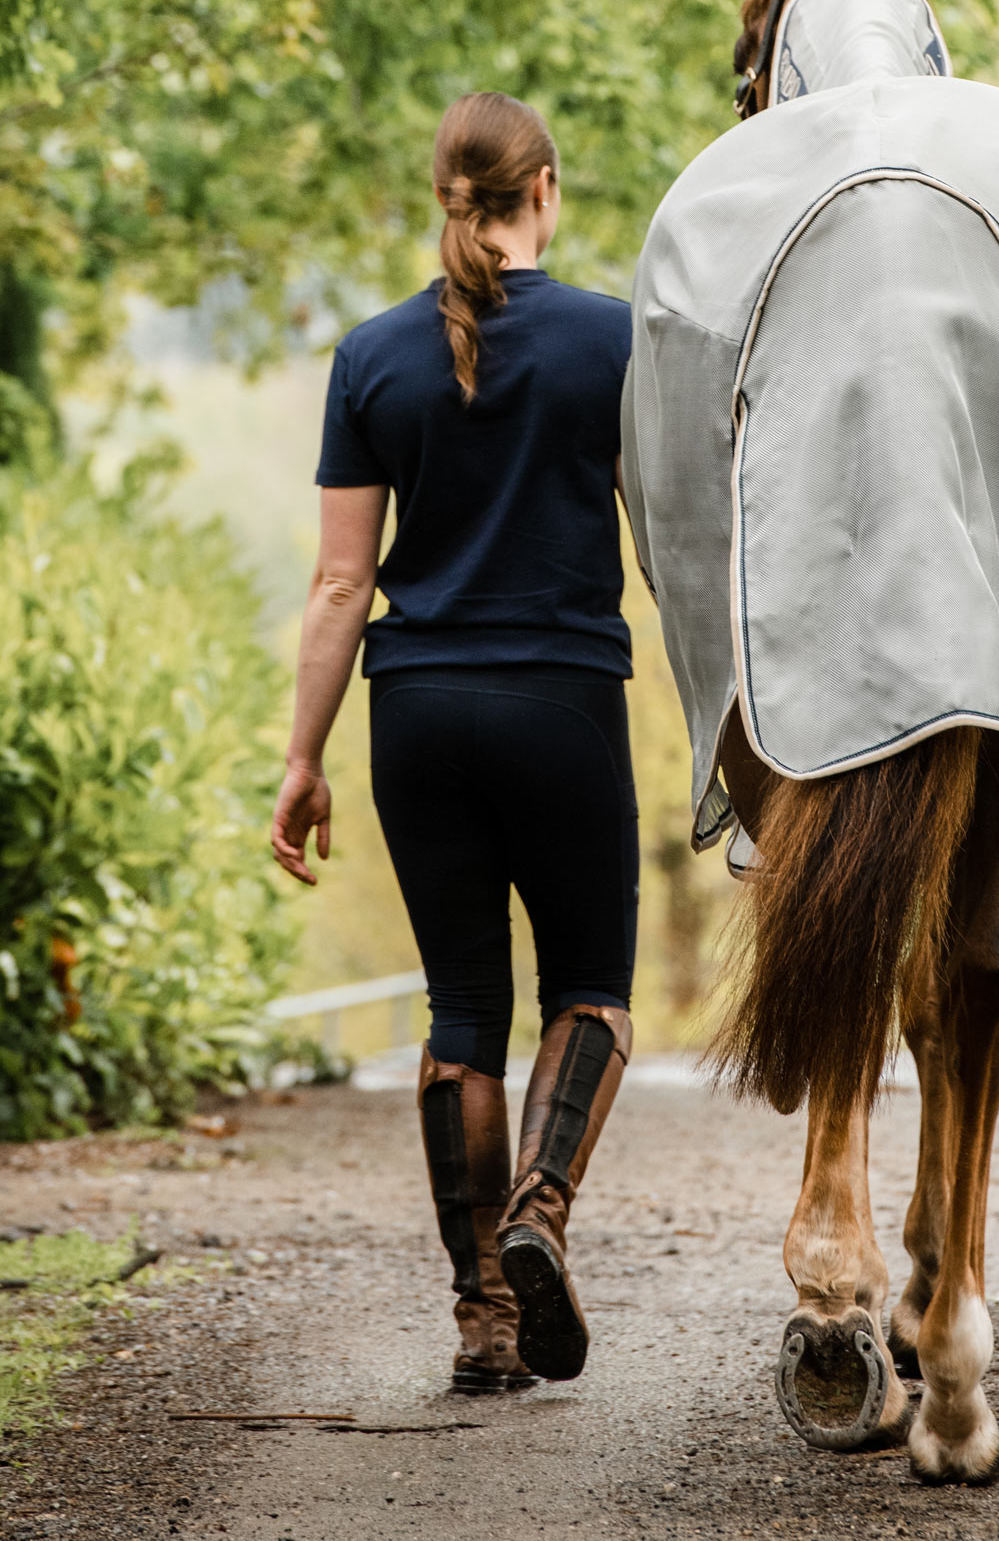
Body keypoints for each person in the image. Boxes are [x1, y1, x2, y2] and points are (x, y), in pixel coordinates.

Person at [269, 92, 638, 1392]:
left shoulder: (372, 358)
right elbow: (683, 546)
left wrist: (303, 759)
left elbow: (337, 586)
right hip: (563, 705)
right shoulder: (614, 343)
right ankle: (539, 1204)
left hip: (416, 712)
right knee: (589, 987)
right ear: (544, 188)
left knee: (462, 1012)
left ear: (447, 196)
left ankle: (484, 1320)